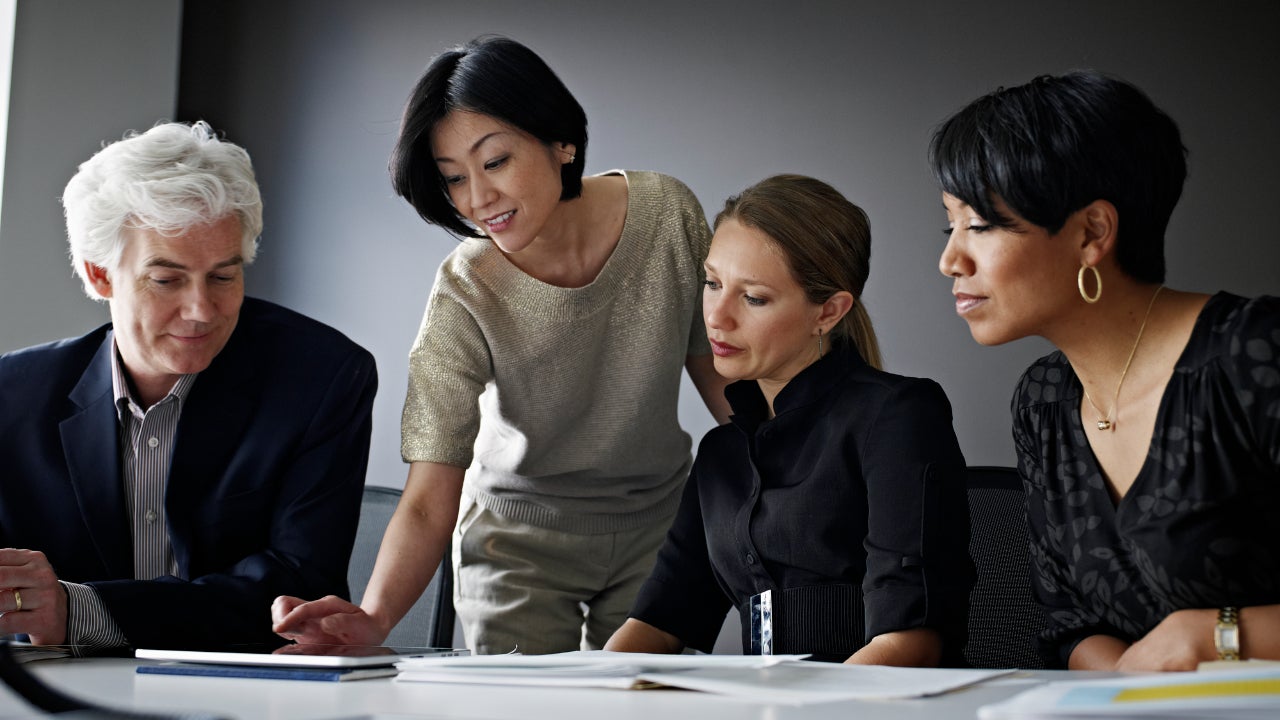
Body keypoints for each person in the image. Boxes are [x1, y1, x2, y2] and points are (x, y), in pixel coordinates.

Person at [271, 36, 730, 655]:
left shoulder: (666, 213)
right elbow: (431, 492)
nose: (477, 199)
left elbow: (719, 374)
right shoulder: (465, 291)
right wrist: (375, 619)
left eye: (495, 162)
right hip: (516, 545)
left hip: (659, 528)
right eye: (453, 179)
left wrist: (803, 472)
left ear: (561, 141)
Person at [931, 70, 1280, 671]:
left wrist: (1220, 636)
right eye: (950, 224)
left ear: (1092, 232)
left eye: (980, 225)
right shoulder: (1043, 401)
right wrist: (1122, 685)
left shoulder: (1255, 353)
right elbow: (1071, 625)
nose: (949, 260)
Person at [0, 121, 378, 653]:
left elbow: (297, 591)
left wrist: (79, 610)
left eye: (224, 276)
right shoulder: (11, 396)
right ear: (98, 274)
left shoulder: (321, 377)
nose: (202, 310)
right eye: (166, 279)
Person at [604, 175, 973, 665]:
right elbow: (659, 619)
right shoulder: (722, 452)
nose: (716, 316)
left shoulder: (897, 416)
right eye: (713, 284)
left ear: (829, 311)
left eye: (753, 298)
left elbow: (908, 641)